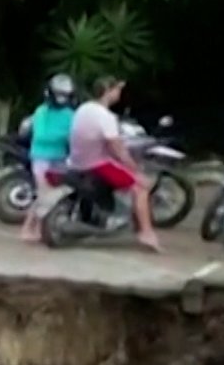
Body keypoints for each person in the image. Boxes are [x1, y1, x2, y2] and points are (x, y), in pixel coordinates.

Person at [67, 76, 159, 252]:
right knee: (141, 187)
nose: (119, 93)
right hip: (96, 164)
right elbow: (117, 148)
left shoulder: (83, 109)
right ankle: (146, 233)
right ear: (108, 92)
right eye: (117, 90)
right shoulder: (106, 116)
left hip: (76, 161)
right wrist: (135, 168)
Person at [20, 73, 79, 242]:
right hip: (41, 157)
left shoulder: (69, 114)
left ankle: (40, 228)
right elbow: (41, 135)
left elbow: (74, 135)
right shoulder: (41, 111)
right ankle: (27, 228)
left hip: (61, 158)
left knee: (55, 195)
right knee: (43, 194)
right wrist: (65, 136)